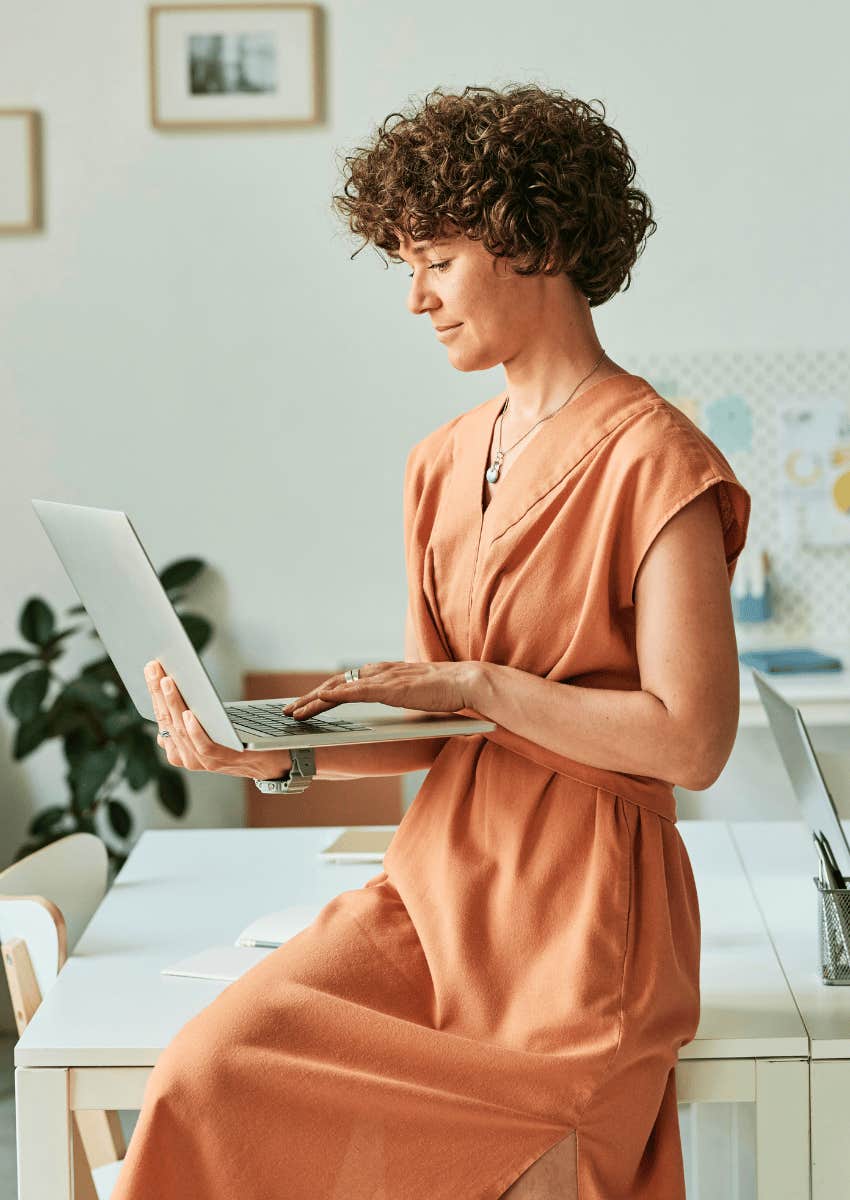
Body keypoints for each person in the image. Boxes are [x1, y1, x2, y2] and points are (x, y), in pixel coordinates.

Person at [112, 83, 750, 1199]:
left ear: (537, 243)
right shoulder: (441, 461)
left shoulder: (659, 461)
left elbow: (690, 742)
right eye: (405, 265)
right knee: (205, 1071)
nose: (414, 299)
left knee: (528, 1160)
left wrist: (480, 684)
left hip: (585, 918)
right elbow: (440, 729)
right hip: (429, 893)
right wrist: (270, 752)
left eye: (435, 261)